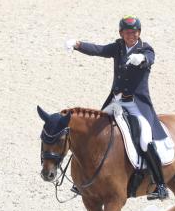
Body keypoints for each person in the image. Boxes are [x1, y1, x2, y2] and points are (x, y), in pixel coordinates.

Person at [65, 15, 168, 200]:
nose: (132, 35)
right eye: (128, 32)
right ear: (121, 33)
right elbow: (99, 50)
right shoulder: (118, 47)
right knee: (93, 131)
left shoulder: (145, 49)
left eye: (135, 32)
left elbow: (150, 59)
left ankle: (159, 185)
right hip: (116, 102)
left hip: (136, 104)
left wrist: (141, 58)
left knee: (145, 139)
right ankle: (81, 181)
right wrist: (78, 44)